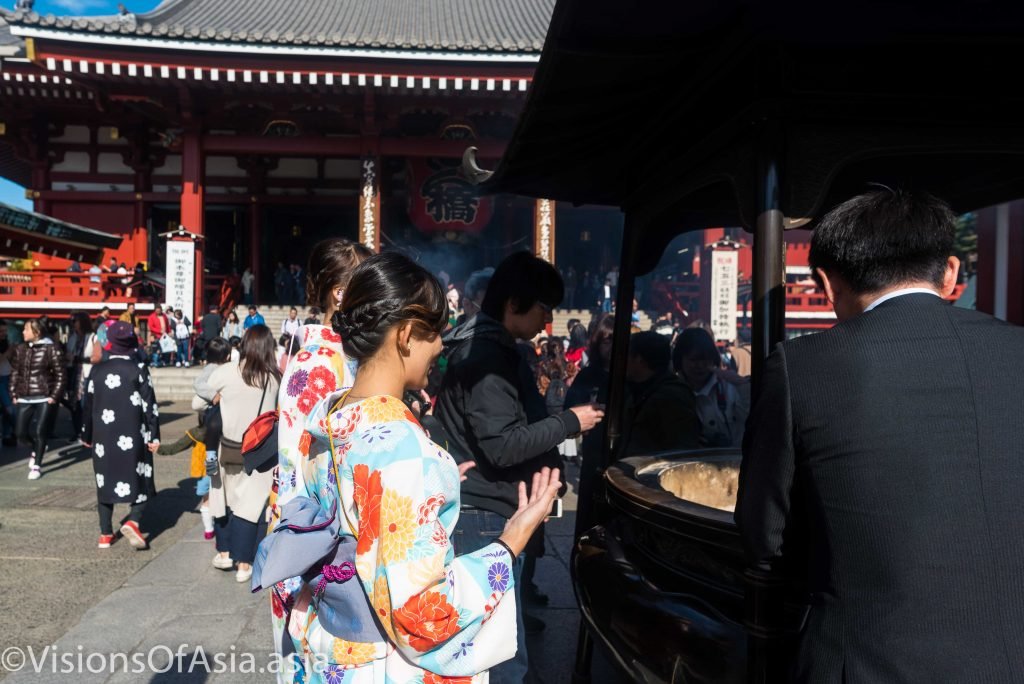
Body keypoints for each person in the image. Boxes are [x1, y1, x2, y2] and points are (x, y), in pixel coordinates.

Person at [736, 189, 1024, 683]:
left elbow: (764, 535)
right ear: (951, 272)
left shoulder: (802, 367)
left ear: (826, 283)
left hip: (866, 662)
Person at [255, 251, 562, 683]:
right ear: (406, 335)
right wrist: (511, 541)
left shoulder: (330, 410)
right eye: (434, 331)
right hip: (378, 656)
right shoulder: (402, 449)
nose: (441, 344)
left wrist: (420, 491)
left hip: (329, 642)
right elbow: (421, 615)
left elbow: (353, 502)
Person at [434, 251, 604, 682]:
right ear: (514, 303)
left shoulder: (489, 345)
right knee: (498, 651)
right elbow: (503, 446)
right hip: (484, 515)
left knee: (498, 640)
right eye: (543, 308)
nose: (547, 321)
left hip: (490, 507)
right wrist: (570, 422)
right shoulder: (487, 359)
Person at [268, 237, 370, 676]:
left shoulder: (330, 354)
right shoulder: (323, 365)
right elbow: (315, 463)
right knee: (319, 654)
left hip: (310, 527)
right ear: (341, 293)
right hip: (318, 533)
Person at [208, 324, 280, 582]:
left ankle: (226, 552)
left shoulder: (226, 372)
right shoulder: (274, 378)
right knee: (251, 507)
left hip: (228, 447)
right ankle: (245, 565)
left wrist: (216, 398)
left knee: (225, 500)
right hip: (261, 451)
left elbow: (199, 395)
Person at [81, 321, 160, 549]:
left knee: (104, 481)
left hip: (103, 437)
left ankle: (106, 534)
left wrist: (86, 434)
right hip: (134, 434)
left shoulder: (97, 371)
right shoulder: (138, 369)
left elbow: (88, 405)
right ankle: (134, 520)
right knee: (142, 478)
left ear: (110, 343)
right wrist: (154, 436)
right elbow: (150, 406)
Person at [620, 331, 700, 457]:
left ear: (640, 360)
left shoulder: (672, 397)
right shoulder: (632, 388)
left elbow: (682, 447)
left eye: (628, 355)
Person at [672, 327, 748, 448]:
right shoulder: (672, 392)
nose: (700, 365)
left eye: (706, 359)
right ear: (680, 359)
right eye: (693, 360)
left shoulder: (730, 388)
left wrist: (743, 386)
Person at [11, 318, 66, 480]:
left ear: (36, 332)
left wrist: (54, 396)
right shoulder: (20, 349)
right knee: (20, 433)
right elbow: (15, 372)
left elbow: (60, 374)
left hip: (44, 395)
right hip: (25, 396)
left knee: (40, 431)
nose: (23, 332)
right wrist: (14, 392)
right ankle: (36, 448)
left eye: (26, 329)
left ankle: (37, 465)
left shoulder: (51, 349)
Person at [191, 337, 233, 541]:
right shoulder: (212, 369)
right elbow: (197, 385)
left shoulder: (215, 367)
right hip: (213, 422)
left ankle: (213, 525)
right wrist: (213, 395)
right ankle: (212, 525)